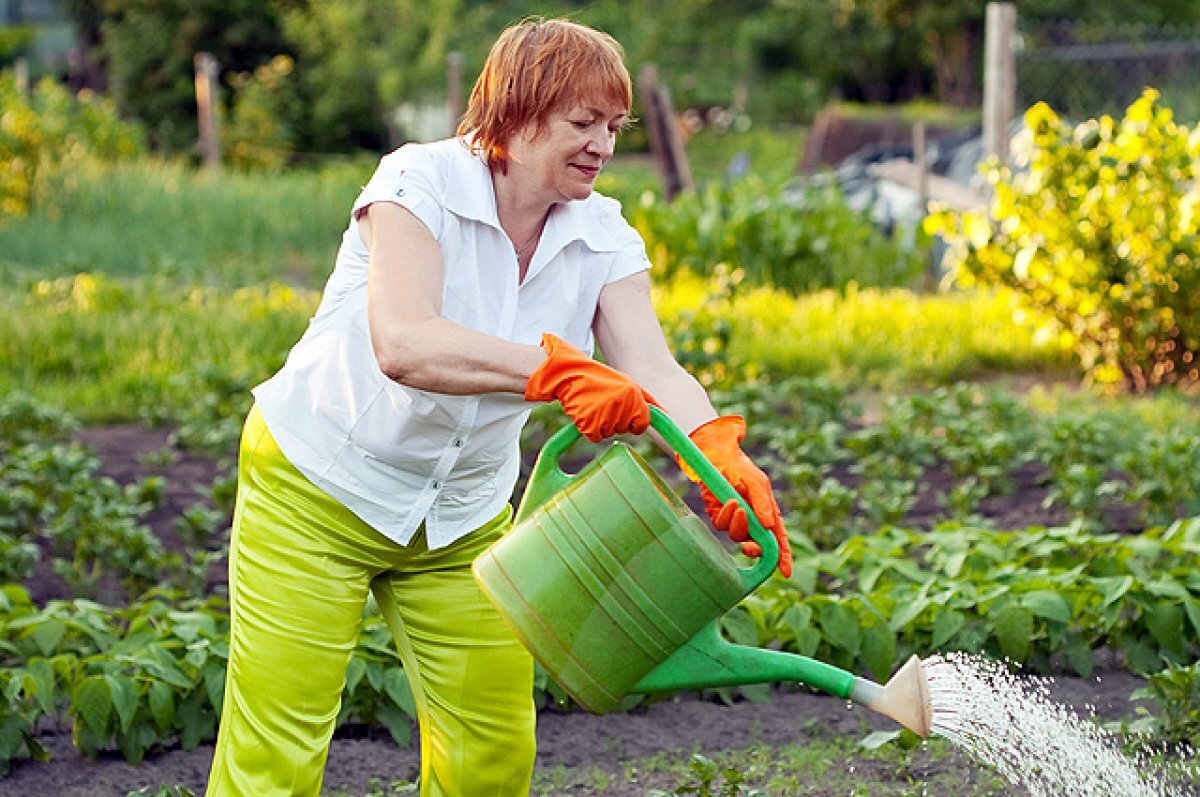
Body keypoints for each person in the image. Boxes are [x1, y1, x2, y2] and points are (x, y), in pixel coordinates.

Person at [204, 17, 792, 797]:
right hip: (319, 485)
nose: (604, 146)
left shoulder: (602, 233)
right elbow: (406, 342)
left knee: (491, 749)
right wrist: (557, 371)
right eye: (583, 123)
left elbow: (650, 365)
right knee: (278, 747)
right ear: (515, 112)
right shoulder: (417, 186)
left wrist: (717, 448)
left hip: (462, 516)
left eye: (614, 127)